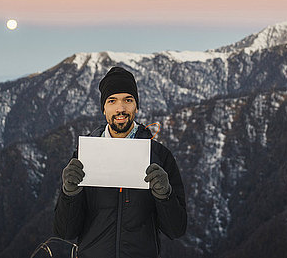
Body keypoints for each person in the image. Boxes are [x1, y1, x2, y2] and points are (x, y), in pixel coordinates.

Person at [53, 66, 187, 258]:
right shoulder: (84, 156)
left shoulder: (159, 156)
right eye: (112, 101)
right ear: (104, 108)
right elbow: (65, 232)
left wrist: (165, 196)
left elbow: (176, 229)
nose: (121, 108)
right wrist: (69, 194)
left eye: (128, 100)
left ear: (136, 106)